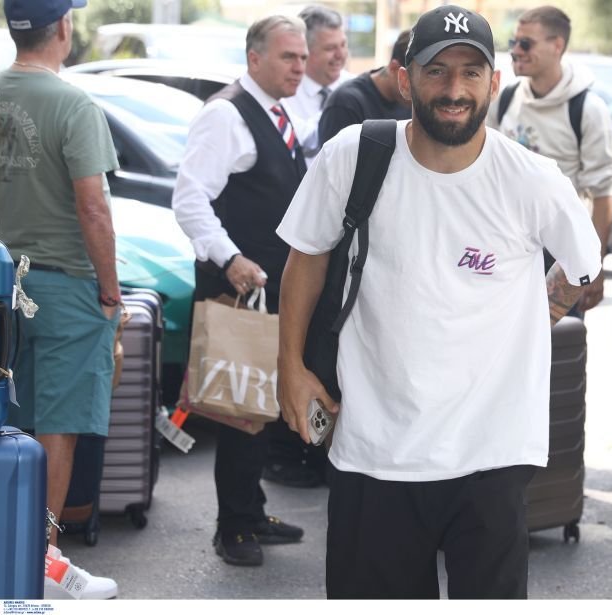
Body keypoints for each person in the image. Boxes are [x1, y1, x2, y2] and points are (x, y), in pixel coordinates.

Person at [276, 4, 602, 599]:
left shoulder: (531, 180)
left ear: (493, 84)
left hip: (491, 455)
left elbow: (584, 266)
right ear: (405, 80)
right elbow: (307, 256)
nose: (455, 89)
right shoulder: (354, 155)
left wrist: (542, 314)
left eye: (471, 72)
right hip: (373, 450)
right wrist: (290, 367)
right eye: (437, 71)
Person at [0, 0, 120, 599]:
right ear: (64, 27)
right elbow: (93, 207)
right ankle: (39, 562)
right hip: (66, 285)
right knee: (58, 427)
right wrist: (111, 291)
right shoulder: (74, 105)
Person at [171, 14, 307, 568]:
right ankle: (233, 528)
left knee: (261, 403)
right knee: (239, 409)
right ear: (255, 58)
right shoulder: (226, 114)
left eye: (302, 57)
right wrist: (230, 258)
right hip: (238, 288)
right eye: (288, 57)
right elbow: (189, 199)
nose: (299, 67)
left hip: (269, 289)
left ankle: (251, 511)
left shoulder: (276, 111)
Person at [488, 5, 612, 312]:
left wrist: (593, 267)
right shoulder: (505, 99)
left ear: (557, 46)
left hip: (560, 254)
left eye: (526, 43)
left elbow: (603, 194)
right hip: (504, 248)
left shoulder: (588, 110)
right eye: (513, 42)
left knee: (556, 340)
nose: (515, 51)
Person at [282, 5, 352, 164]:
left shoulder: (359, 90)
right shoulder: (283, 96)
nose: (340, 55)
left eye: (343, 45)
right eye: (330, 48)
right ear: (304, 50)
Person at [318, 29, 412, 146]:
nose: (420, 93)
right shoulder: (346, 104)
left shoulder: (415, 102)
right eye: (412, 82)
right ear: (394, 68)